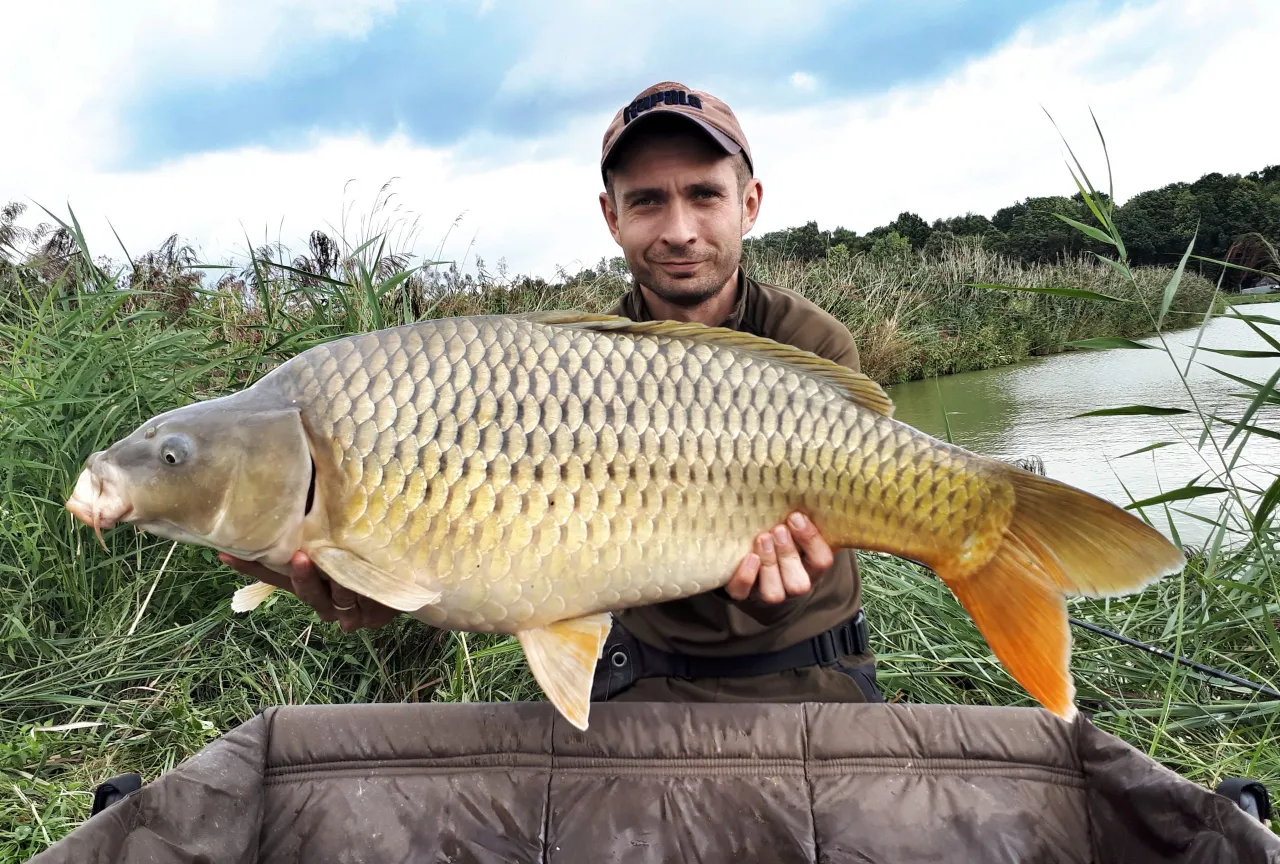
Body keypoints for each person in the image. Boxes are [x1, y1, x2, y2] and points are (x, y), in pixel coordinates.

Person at [220, 80, 881, 706]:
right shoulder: (571, 369)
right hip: (642, 679)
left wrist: (779, 593)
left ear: (750, 204)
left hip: (807, 667)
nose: (679, 229)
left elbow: (808, 560)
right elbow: (502, 552)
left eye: (704, 195)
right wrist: (380, 582)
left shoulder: (809, 346)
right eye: (647, 200)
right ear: (611, 216)